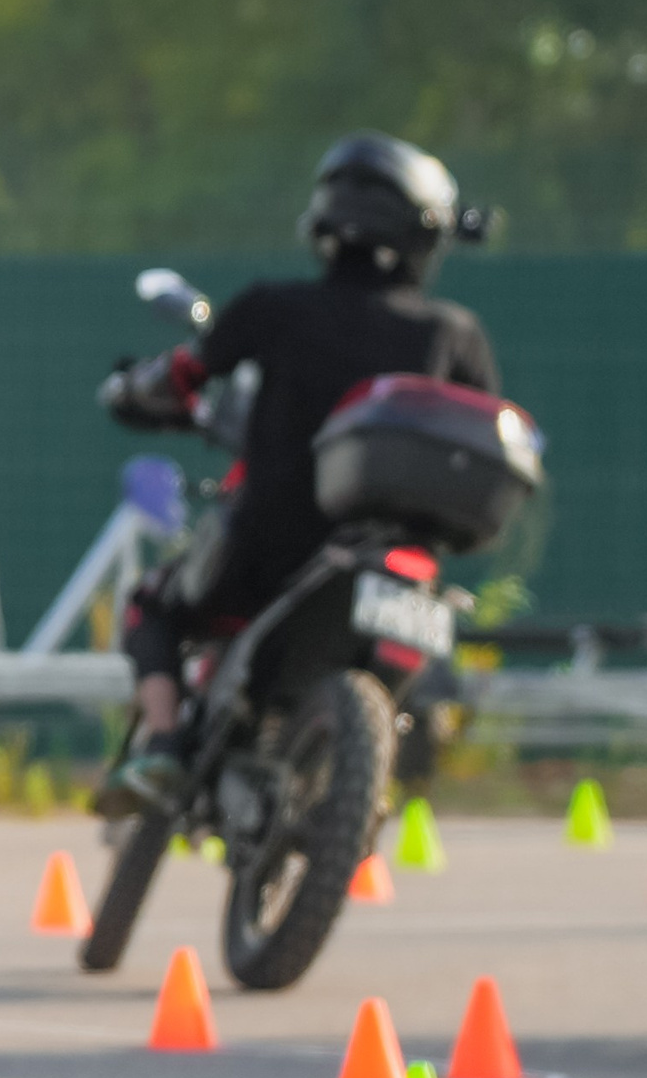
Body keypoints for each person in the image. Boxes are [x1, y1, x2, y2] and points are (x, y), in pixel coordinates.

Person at [103, 133, 496, 814]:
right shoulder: (453, 335)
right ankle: (359, 783)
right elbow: (482, 434)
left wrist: (137, 387)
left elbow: (184, 374)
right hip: (397, 565)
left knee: (154, 603)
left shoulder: (272, 308)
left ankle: (163, 747)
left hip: (269, 546)